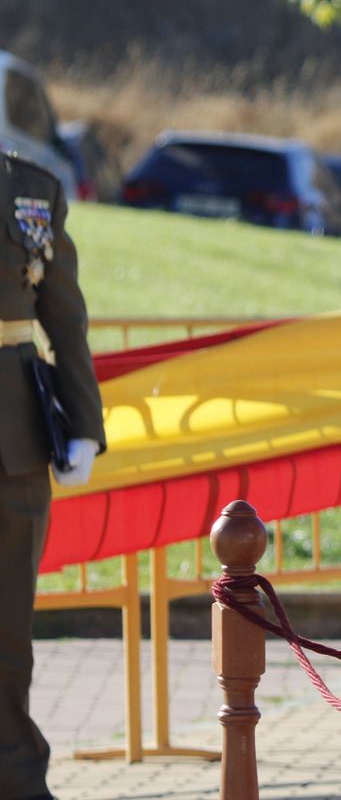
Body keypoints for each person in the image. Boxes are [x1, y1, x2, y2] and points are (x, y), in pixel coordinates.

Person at [2, 151, 103, 800]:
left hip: (10, 435)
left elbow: (64, 316)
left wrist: (84, 423)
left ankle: (14, 780)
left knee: (7, 630)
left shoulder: (29, 188)